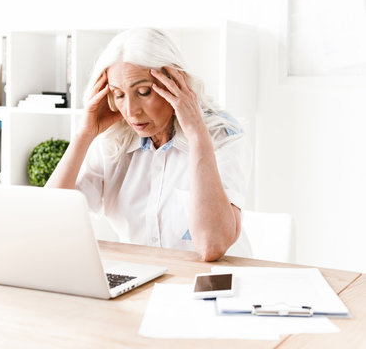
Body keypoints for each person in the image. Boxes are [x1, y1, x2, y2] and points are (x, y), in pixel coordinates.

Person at [46, 28, 251, 261]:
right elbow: (51, 221)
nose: (131, 111)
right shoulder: (113, 142)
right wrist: (85, 134)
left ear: (174, 84)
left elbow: (210, 246)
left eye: (143, 92)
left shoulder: (223, 135)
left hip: (216, 284)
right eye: (119, 95)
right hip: (143, 280)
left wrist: (197, 136)